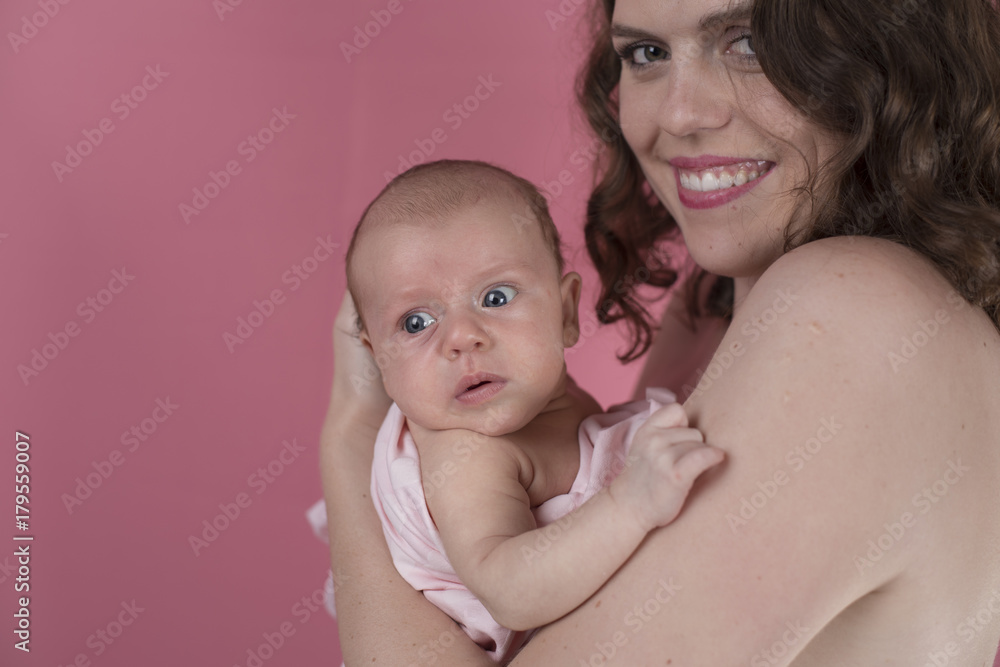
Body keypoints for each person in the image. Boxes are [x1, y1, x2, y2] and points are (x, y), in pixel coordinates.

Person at [321, 0, 1000, 664]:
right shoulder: (707, 311)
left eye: (749, 43)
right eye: (646, 53)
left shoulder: (856, 315)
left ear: (885, 51)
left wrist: (355, 437)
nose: (678, 114)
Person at [327, 159, 723, 662]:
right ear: (376, 356)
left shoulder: (550, 402)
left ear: (564, 312)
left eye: (495, 297)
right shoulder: (467, 454)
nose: (462, 338)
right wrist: (630, 504)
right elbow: (510, 591)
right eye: (415, 322)